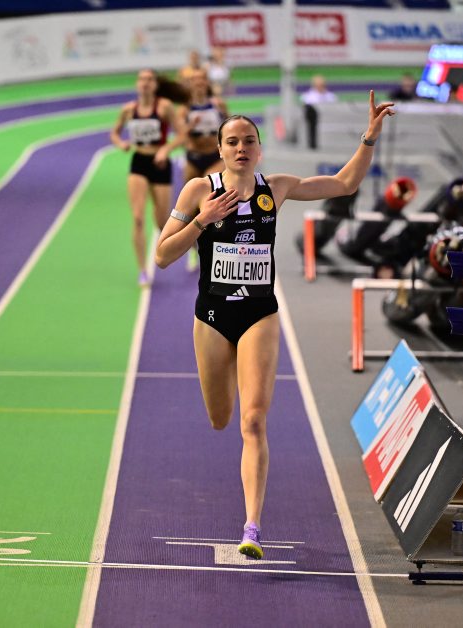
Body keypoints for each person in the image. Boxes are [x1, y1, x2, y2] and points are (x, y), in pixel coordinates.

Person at [154, 92, 395, 559]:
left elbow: (344, 184)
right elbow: (163, 256)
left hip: (258, 314)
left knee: (253, 420)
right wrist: (202, 221)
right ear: (219, 149)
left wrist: (369, 137)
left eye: (249, 140)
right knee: (220, 418)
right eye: (232, 141)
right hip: (212, 317)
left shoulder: (276, 188)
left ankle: (252, 527)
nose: (241, 148)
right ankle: (227, 381)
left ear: (260, 149)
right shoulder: (199, 191)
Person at [110, 69, 187, 286]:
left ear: (155, 85)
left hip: (160, 164)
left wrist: (166, 149)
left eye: (149, 79)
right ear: (137, 84)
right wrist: (121, 143)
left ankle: (192, 246)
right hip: (139, 163)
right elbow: (114, 132)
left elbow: (182, 134)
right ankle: (143, 270)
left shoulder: (164, 107)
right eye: (142, 79)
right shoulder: (128, 110)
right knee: (137, 218)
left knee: (163, 222)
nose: (145, 83)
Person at [178, 67, 228, 270]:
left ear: (207, 82)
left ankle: (213, 245)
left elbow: (229, 128)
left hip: (214, 157)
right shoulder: (185, 109)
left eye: (202, 79)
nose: (199, 83)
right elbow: (180, 136)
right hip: (193, 159)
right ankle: (192, 249)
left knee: (210, 197)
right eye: (195, 80)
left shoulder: (218, 105)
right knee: (190, 206)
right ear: (190, 84)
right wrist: (190, 128)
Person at [301, 75, 337, 149]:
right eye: (318, 85)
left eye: (322, 85)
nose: (320, 87)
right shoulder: (307, 97)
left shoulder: (331, 97)